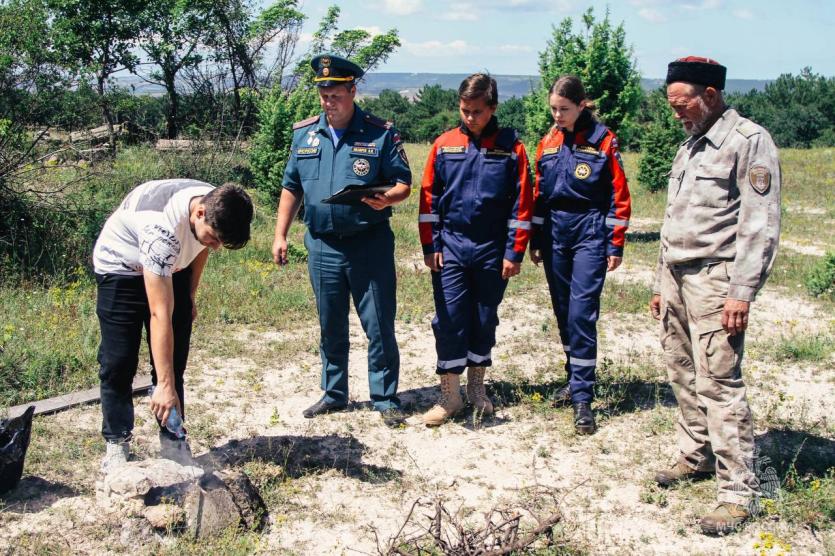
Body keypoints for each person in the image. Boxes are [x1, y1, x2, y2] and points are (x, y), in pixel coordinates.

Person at [649, 56, 781, 535]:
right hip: (677, 278)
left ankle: (738, 491)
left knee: (719, 381)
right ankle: (696, 454)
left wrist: (741, 291)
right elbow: (675, 219)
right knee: (681, 371)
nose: (676, 113)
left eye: (682, 104)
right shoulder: (690, 145)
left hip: (716, 281)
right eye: (672, 106)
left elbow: (759, 224)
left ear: (710, 94)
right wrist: (660, 280)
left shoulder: (748, 141)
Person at [272, 54, 412, 428]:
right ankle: (334, 393)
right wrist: (280, 234)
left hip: (369, 243)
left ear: (352, 90)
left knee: (379, 323)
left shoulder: (379, 132)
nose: (327, 101)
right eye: (323, 94)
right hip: (322, 245)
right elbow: (291, 187)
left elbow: (403, 183)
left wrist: (388, 198)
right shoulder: (305, 134)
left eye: (335, 93)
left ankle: (384, 397)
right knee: (329, 322)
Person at [93, 179, 253, 472]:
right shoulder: (161, 229)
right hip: (121, 268)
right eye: (215, 238)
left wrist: (189, 294)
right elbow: (159, 314)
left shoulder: (215, 202)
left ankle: (173, 442)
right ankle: (117, 442)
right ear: (200, 213)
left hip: (171, 265)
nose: (216, 247)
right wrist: (163, 387)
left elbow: (200, 249)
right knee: (119, 360)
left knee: (174, 359)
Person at [418, 73, 533, 426]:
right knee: (450, 319)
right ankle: (449, 396)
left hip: (491, 250)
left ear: (493, 108)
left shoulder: (512, 148)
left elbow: (522, 204)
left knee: (483, 319)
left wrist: (514, 252)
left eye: (478, 112)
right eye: (465, 110)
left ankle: (477, 391)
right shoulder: (444, 144)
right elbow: (429, 199)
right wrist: (430, 245)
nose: (470, 118)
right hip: (451, 247)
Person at [529, 75, 631, 435]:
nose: (557, 115)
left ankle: (584, 398)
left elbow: (619, 195)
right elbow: (539, 193)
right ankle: (574, 378)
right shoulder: (549, 141)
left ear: (581, 105)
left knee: (581, 312)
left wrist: (614, 242)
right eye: (553, 109)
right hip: (556, 231)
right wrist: (536, 238)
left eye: (564, 109)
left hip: (589, 231)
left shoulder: (603, 140)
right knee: (562, 311)